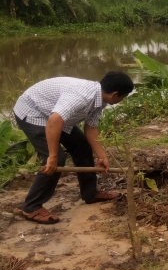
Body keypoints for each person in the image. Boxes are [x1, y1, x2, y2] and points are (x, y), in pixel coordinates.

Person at [13, 72, 134, 224]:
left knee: (82, 145)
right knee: (57, 160)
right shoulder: (82, 96)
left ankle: (90, 193)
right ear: (115, 94)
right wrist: (53, 156)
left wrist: (101, 155)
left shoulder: (100, 99)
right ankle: (31, 207)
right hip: (33, 112)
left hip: (53, 113)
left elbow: (91, 127)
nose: (122, 100)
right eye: (123, 97)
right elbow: (54, 121)